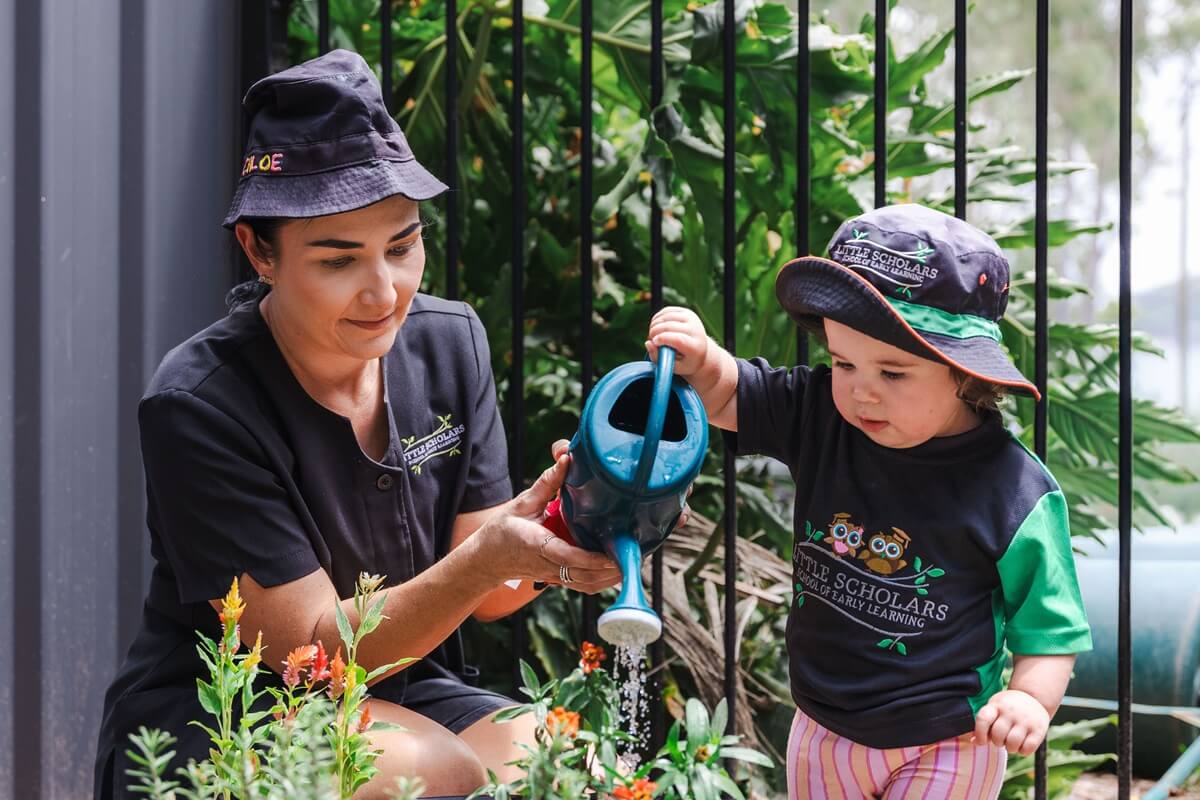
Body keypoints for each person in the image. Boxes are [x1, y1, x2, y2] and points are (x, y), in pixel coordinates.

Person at [94, 49, 620, 800]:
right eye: (339, 261)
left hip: (407, 692)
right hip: (230, 714)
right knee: (431, 772)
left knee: (571, 770)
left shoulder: (449, 342)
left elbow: (491, 584)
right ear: (259, 250)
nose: (385, 291)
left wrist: (578, 517)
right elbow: (314, 652)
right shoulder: (198, 404)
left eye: (403, 246)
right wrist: (481, 564)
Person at [645, 204, 1092, 799]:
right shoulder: (820, 417)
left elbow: (1048, 626)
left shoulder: (1013, 489)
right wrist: (703, 363)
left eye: (894, 373)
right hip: (823, 725)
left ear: (964, 373)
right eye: (843, 362)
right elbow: (732, 396)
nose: (861, 391)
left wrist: (1029, 698)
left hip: (948, 738)